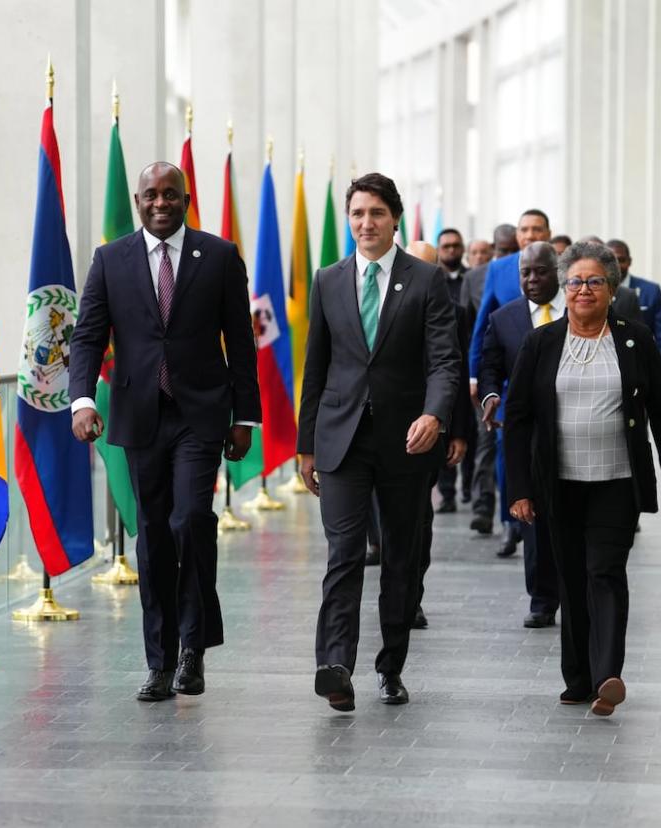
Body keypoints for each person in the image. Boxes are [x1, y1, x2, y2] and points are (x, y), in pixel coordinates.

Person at [70, 162, 260, 703]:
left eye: (170, 195)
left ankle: (193, 648)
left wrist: (245, 418)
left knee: (191, 518)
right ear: (137, 200)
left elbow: (241, 343)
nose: (160, 203)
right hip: (138, 416)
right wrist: (82, 400)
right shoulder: (111, 260)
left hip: (200, 414)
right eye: (151, 195)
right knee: (151, 535)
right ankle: (159, 660)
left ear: (185, 198)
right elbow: (86, 337)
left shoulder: (219, 257)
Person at [503, 241, 661, 717]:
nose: (584, 290)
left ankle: (608, 674)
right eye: (575, 282)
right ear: (564, 289)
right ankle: (578, 678)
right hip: (557, 483)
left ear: (612, 288)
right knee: (570, 578)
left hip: (615, 481)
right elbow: (518, 418)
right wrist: (519, 489)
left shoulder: (634, 338)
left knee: (604, 572)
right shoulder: (540, 343)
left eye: (595, 281)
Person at [299, 173, 458, 711]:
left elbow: (443, 361)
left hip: (406, 444)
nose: (366, 223)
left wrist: (434, 415)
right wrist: (305, 445)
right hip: (341, 441)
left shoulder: (426, 280)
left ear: (394, 220)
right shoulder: (328, 280)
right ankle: (336, 665)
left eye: (376, 214)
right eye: (358, 214)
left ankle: (391, 667)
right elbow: (315, 367)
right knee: (343, 554)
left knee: (400, 557)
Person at [476, 241, 561, 628]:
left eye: (540, 272)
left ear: (557, 270)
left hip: (577, 429)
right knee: (534, 517)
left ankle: (578, 590)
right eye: (525, 273)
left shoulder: (579, 312)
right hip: (526, 434)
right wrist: (492, 395)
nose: (531, 280)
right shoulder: (504, 318)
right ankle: (542, 599)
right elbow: (491, 366)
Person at [469, 209, 553, 552]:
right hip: (511, 381)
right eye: (524, 230)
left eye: (537, 229)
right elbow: (485, 323)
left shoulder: (559, 264)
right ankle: (509, 522)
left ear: (548, 232)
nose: (530, 235)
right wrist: (478, 378)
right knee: (508, 452)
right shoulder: (499, 268)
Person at [405, 239, 470, 630]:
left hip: (428, 430)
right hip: (375, 428)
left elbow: (456, 373)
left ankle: (412, 595)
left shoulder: (455, 312)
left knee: (418, 519)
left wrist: (457, 430)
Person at [432, 229, 474, 513]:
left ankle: (468, 488)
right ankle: (446, 494)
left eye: (455, 246)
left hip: (451, 381)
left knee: (455, 439)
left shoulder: (469, 282)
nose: (450, 250)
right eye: (445, 246)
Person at [606, 239, 661, 394]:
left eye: (621, 260)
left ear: (629, 261)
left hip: (644, 374)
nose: (617, 265)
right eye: (612, 261)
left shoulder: (650, 291)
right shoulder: (595, 292)